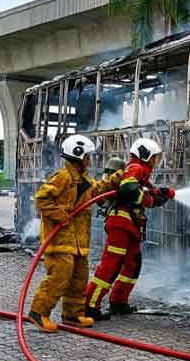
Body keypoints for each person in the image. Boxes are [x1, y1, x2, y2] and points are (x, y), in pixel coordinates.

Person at [29, 136, 125, 333]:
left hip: (79, 243)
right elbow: (41, 198)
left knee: (79, 279)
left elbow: (98, 189)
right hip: (60, 242)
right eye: (88, 156)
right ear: (78, 156)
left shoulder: (84, 181)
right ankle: (39, 312)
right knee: (59, 278)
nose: (90, 160)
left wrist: (119, 177)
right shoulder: (62, 177)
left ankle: (72, 314)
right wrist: (61, 215)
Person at [85, 138, 175, 321]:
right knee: (111, 265)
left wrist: (160, 195)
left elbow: (142, 192)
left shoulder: (141, 172)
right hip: (121, 224)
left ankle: (118, 301)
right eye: (154, 157)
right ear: (145, 155)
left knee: (133, 263)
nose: (156, 161)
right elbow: (129, 190)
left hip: (131, 226)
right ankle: (90, 305)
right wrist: (151, 200)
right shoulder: (136, 168)